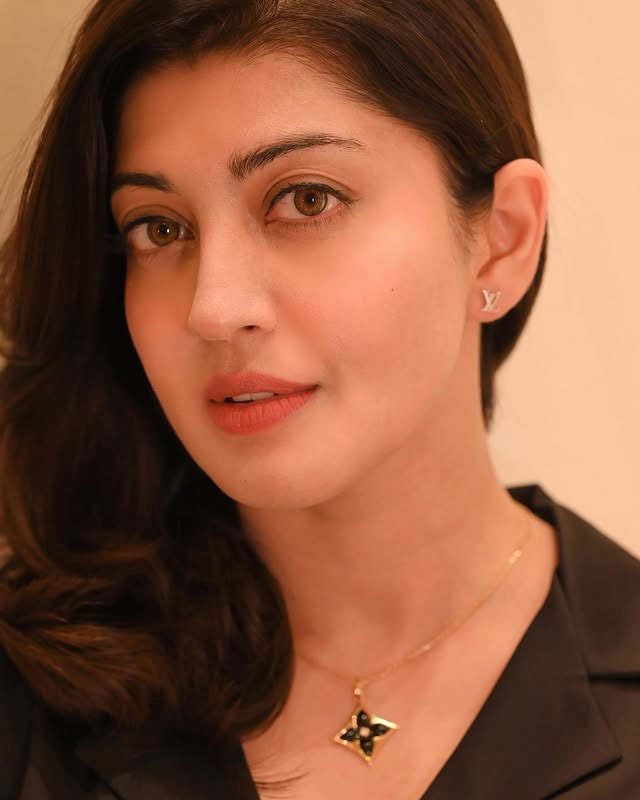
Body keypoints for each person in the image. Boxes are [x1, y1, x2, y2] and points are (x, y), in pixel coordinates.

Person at [0, 0, 638, 798]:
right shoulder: (29, 697)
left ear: (502, 239)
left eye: (306, 199)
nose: (212, 308)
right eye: (158, 228)